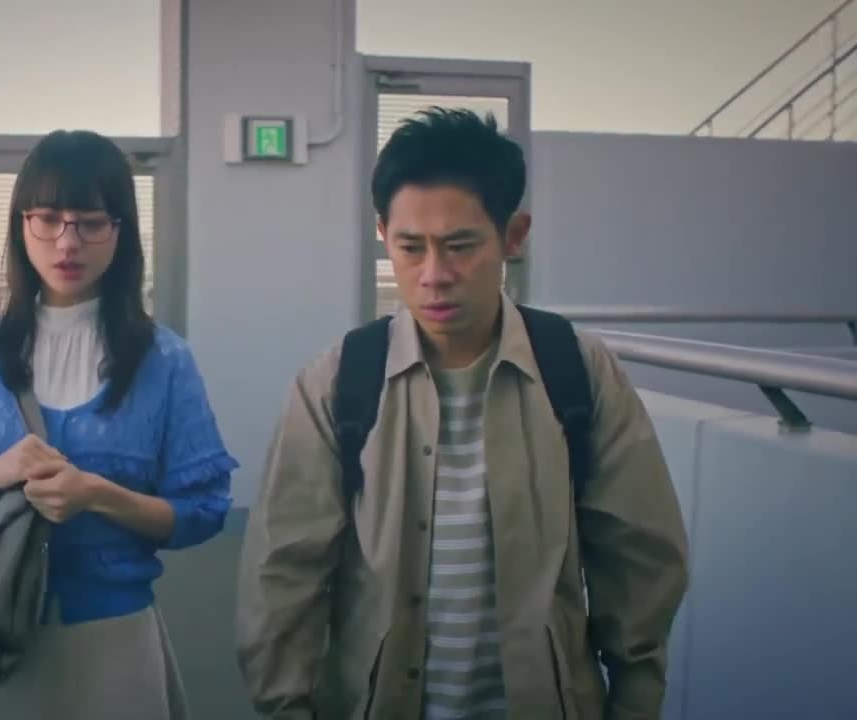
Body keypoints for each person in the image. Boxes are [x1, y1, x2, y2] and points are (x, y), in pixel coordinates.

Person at [234, 108, 689, 719]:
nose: (434, 276)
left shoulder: (576, 370)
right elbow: (283, 571)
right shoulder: (338, 382)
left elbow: (639, 557)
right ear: (382, 235)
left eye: (460, 246)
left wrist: (634, 700)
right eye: (410, 248)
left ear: (514, 236)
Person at [0, 129, 237, 720]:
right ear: (21, 226)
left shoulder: (164, 359)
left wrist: (97, 495)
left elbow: (202, 511)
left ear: (121, 231)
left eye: (91, 223)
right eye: (48, 219)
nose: (67, 242)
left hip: (113, 644)